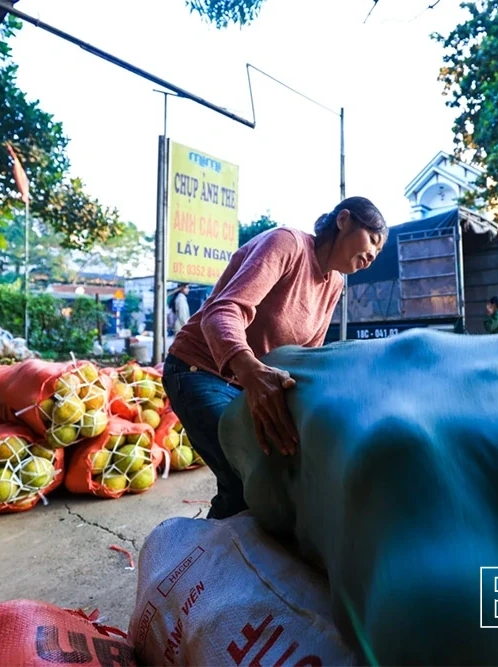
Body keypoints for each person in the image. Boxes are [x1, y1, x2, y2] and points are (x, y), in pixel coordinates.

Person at [162, 196, 389, 519]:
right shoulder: (287, 244)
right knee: (250, 481)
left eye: (378, 253)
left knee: (283, 474)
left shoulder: (334, 284)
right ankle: (205, 563)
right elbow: (221, 313)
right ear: (344, 220)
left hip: (250, 385)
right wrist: (249, 369)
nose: (372, 255)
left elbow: (303, 357)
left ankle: (226, 558)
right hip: (199, 370)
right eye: (373, 240)